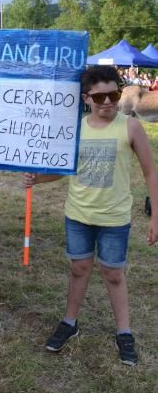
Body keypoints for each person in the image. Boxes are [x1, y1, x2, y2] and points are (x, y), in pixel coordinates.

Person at [23, 65, 158, 366]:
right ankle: (70, 323)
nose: (108, 102)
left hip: (115, 218)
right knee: (79, 269)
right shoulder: (76, 130)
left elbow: (150, 171)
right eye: (99, 98)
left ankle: (124, 332)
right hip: (78, 215)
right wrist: (38, 179)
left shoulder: (130, 127)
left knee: (113, 274)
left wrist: (155, 216)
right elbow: (64, 170)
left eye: (113, 94)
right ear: (86, 99)